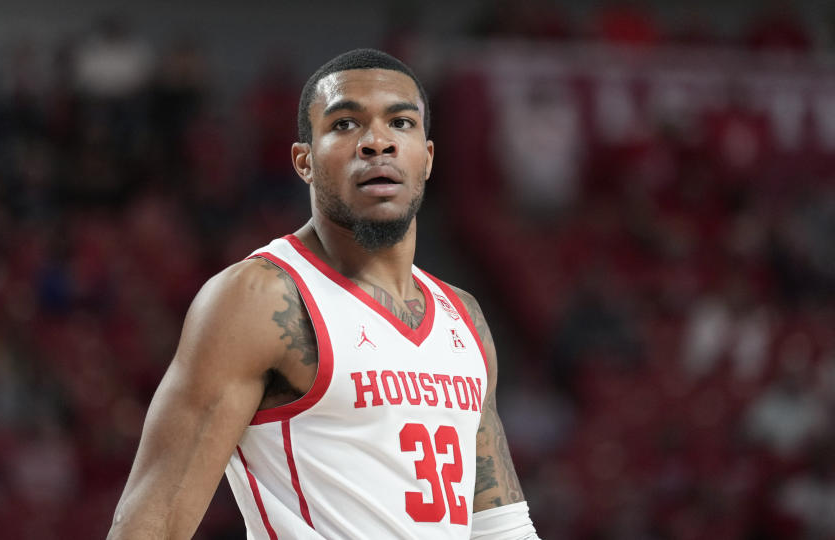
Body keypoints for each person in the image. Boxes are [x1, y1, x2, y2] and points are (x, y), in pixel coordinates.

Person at [108, 48, 541, 539]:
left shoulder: (464, 315)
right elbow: (152, 523)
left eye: (400, 123)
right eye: (344, 125)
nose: (377, 142)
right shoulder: (259, 298)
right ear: (304, 161)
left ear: (428, 158)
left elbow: (501, 527)